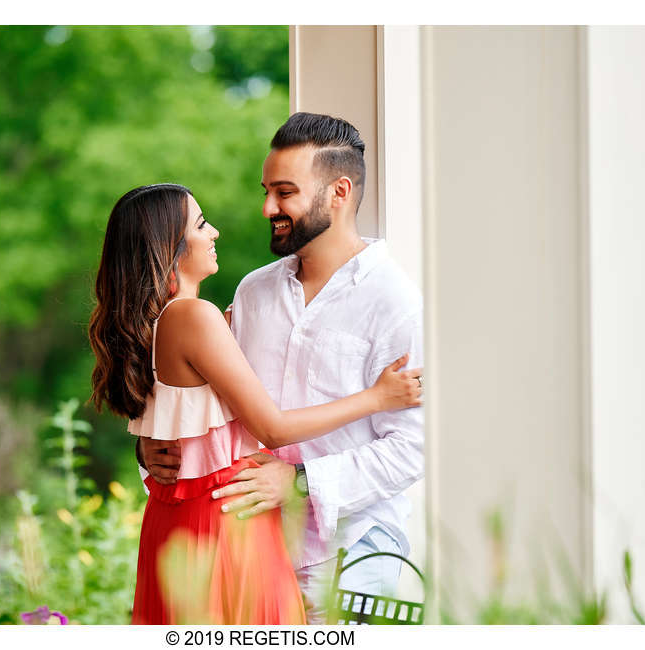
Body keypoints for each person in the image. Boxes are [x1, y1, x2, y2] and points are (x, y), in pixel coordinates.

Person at [88, 182, 423, 625]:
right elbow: (274, 428)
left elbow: (185, 424)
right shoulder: (193, 317)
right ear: (169, 245)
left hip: (187, 515)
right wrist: (376, 397)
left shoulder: (163, 323)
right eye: (202, 224)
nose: (215, 233)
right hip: (228, 515)